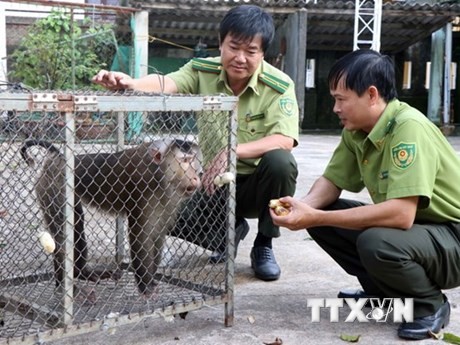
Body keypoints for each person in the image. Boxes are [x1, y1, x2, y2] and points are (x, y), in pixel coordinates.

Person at [92, 4, 299, 281]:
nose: (240, 58)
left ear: (262, 53)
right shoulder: (203, 70)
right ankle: (227, 231)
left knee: (280, 163)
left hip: (257, 187)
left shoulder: (279, 85)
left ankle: (264, 243)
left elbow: (285, 139)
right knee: (160, 213)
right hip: (213, 183)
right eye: (233, 47)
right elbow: (167, 82)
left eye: (250, 51)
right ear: (220, 44)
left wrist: (231, 151)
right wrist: (131, 83)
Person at [270, 49, 460, 340]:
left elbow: (400, 214)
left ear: (371, 95)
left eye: (341, 99)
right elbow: (332, 181)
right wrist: (302, 208)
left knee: (376, 241)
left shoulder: (408, 128)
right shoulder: (357, 129)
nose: (335, 108)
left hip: (452, 237)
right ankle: (386, 296)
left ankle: (428, 306)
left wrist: (317, 215)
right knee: (326, 221)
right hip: (423, 232)